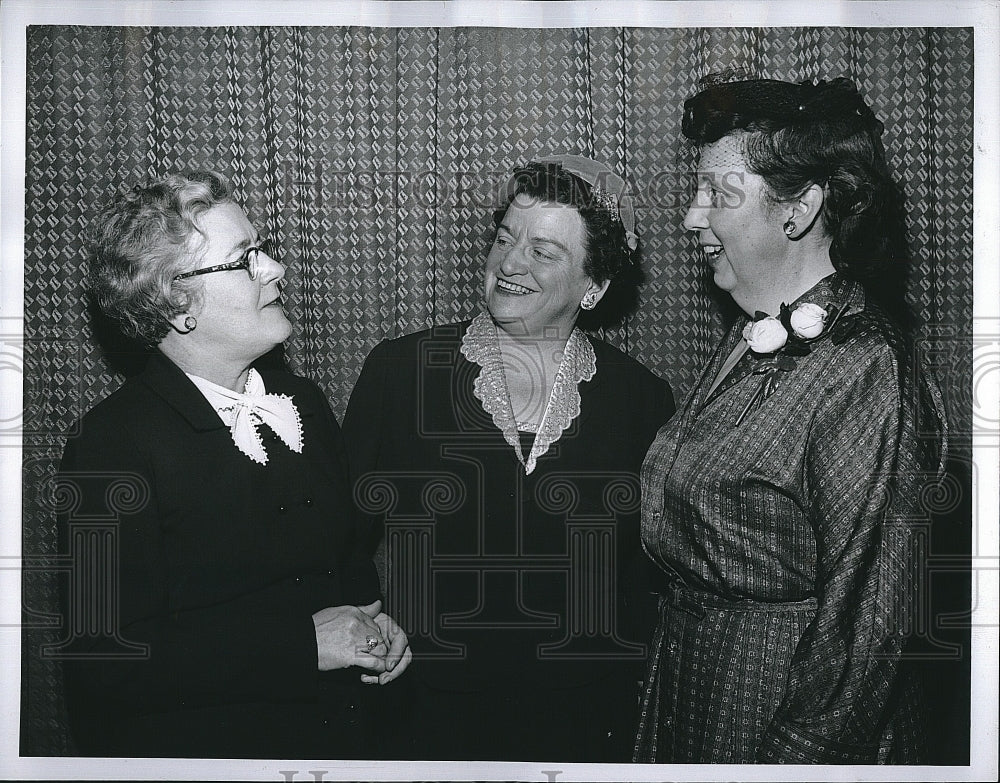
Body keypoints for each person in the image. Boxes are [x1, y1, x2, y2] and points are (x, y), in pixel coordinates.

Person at [634, 76, 949, 764]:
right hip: (700, 684)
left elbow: (870, 619)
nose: (692, 216)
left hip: (778, 707)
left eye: (718, 193)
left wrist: (796, 757)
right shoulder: (750, 332)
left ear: (800, 207)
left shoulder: (866, 366)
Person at [56, 171, 410, 758]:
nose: (274, 269)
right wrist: (303, 645)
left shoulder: (302, 403)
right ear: (177, 304)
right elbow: (105, 661)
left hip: (341, 740)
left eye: (261, 248)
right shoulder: (108, 447)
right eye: (245, 258)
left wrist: (372, 627)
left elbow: (346, 565)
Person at [342, 155, 675, 761]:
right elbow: (342, 540)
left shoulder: (642, 398)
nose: (511, 262)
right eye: (504, 239)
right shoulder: (401, 370)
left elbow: (646, 575)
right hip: (420, 704)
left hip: (584, 715)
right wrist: (367, 633)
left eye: (544, 252)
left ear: (594, 288)